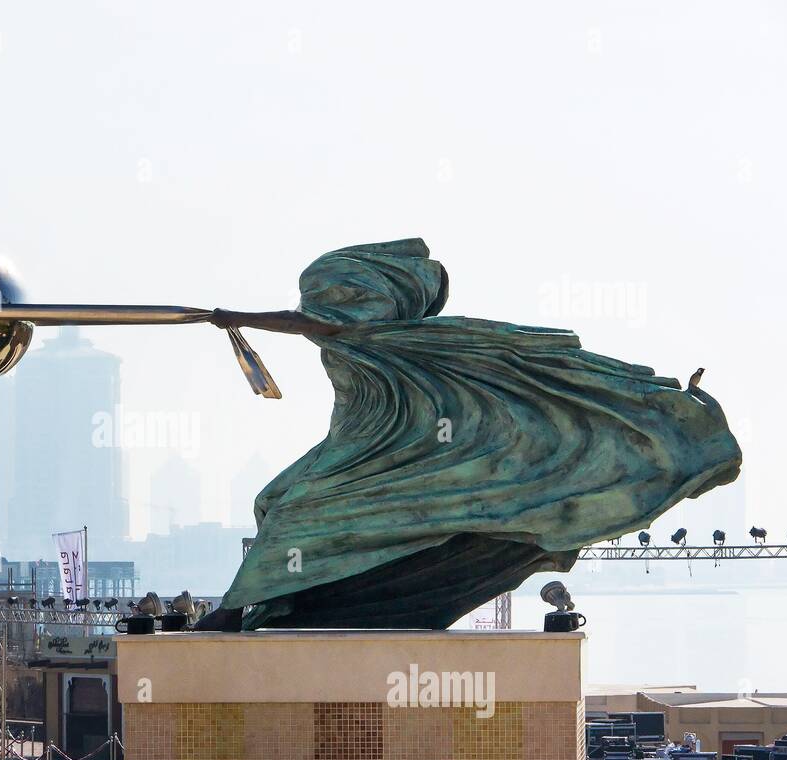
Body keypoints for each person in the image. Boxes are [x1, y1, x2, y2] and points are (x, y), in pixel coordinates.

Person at [198, 239, 741, 631]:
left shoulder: (386, 337)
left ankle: (231, 611)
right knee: (271, 500)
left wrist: (232, 316)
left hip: (395, 463)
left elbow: (316, 326)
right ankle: (287, 604)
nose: (317, 307)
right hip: (363, 453)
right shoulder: (371, 342)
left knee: (293, 513)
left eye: (330, 295)